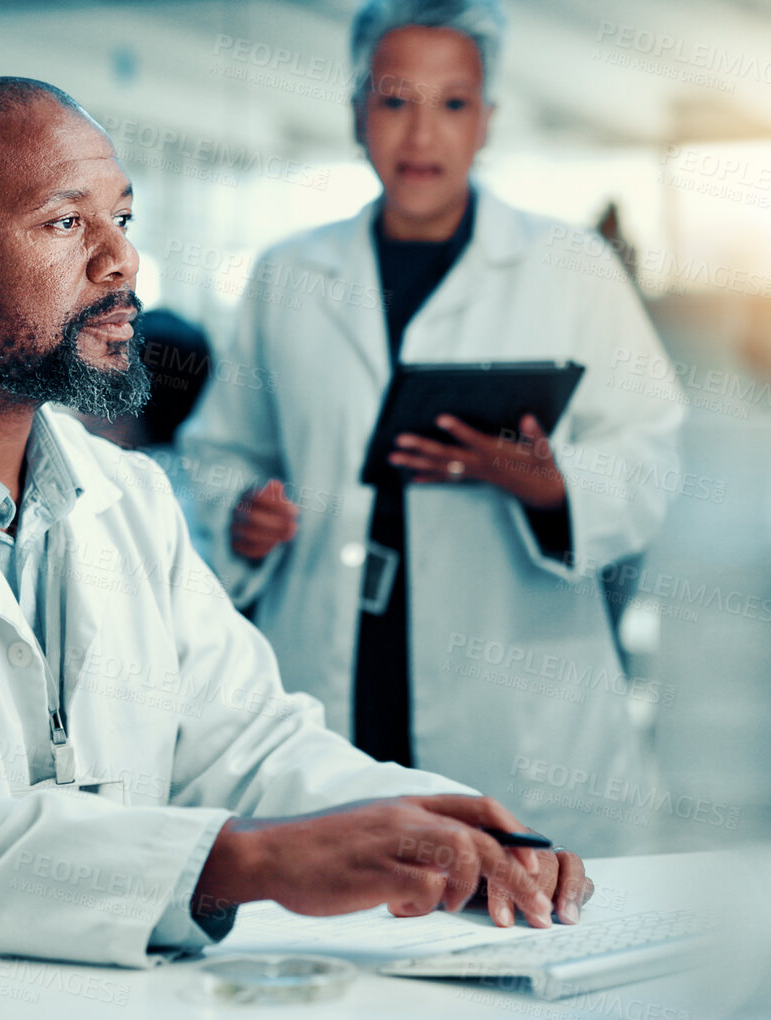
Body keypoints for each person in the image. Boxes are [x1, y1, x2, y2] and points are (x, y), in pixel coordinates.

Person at [0, 76, 588, 969]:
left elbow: (247, 749)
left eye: (122, 218)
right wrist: (247, 867)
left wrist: (442, 830)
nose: (121, 259)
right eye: (64, 222)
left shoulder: (123, 497)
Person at [176, 0, 686, 850]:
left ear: (485, 121)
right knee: (346, 911)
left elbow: (649, 454)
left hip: (514, 699)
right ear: (353, 114)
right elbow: (223, 449)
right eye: (393, 101)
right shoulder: (287, 275)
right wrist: (243, 517)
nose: (422, 135)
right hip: (334, 673)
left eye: (452, 104)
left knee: (512, 925)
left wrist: (550, 484)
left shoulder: (570, 269)